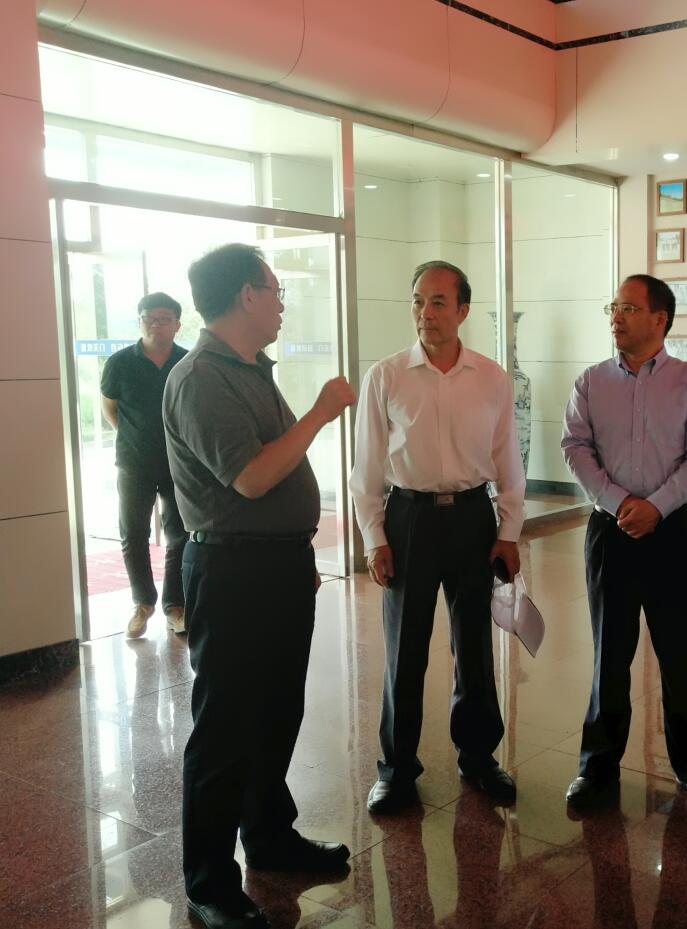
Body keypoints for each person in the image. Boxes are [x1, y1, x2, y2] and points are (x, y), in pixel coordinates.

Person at [164, 244, 355, 929]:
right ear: (246, 294)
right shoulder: (199, 378)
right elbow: (250, 477)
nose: (281, 302)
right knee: (225, 728)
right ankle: (209, 881)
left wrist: (292, 550)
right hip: (231, 571)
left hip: (275, 566)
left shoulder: (249, 368)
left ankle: (270, 837)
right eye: (274, 290)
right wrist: (321, 411)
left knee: (276, 711)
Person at [350, 260, 524, 814]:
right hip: (410, 520)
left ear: (463, 310)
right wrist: (374, 537)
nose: (426, 313)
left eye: (439, 302)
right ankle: (396, 769)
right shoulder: (386, 376)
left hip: (473, 518)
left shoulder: (491, 377)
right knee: (404, 649)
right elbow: (365, 467)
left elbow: (508, 458)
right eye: (418, 301)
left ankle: (478, 757)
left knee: (473, 645)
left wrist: (509, 531)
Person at [560, 274, 687, 816]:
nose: (617, 316)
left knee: (678, 656)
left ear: (660, 318)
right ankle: (596, 769)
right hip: (610, 533)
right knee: (610, 653)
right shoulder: (591, 382)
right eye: (613, 307)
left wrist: (656, 505)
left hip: (673, 532)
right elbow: (575, 446)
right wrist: (617, 502)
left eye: (629, 308)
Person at [100, 292, 189, 637]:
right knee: (133, 533)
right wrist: (133, 436)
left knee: (179, 533)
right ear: (139, 322)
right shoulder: (120, 363)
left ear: (177, 324)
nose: (156, 325)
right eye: (149, 318)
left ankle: (175, 605)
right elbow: (110, 407)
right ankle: (142, 603)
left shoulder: (187, 362)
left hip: (178, 462)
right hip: (133, 462)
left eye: (164, 319)